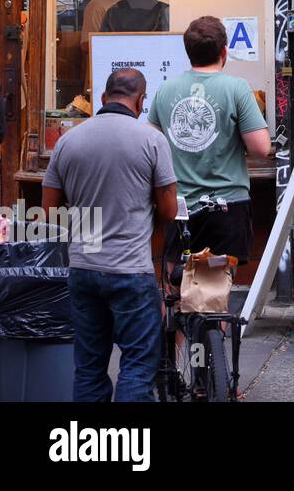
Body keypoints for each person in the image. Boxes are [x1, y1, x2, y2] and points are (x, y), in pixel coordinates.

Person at [41, 68, 178, 401]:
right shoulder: (151, 140)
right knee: (136, 366)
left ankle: (91, 446)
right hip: (130, 269)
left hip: (84, 268)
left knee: (88, 367)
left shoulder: (68, 141)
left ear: (103, 99)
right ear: (141, 101)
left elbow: (48, 211)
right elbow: (169, 211)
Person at [148, 16, 272, 267]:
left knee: (178, 281)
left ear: (188, 52)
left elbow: (149, 145)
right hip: (227, 204)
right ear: (224, 51)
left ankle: (180, 305)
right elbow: (261, 148)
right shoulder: (237, 88)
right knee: (218, 287)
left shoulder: (165, 89)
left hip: (178, 203)